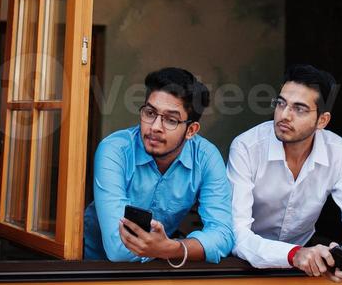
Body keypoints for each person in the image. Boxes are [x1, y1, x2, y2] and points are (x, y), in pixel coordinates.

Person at [227, 63, 342, 279]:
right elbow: (237, 234)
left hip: (304, 266)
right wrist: (293, 254)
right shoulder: (246, 147)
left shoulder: (337, 151)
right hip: (243, 265)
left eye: (299, 109)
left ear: (322, 121)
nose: (284, 115)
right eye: (281, 104)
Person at [83, 66, 234, 265]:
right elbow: (118, 249)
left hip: (157, 273)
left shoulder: (206, 157)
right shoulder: (115, 150)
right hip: (92, 269)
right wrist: (173, 249)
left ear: (191, 130)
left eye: (171, 120)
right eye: (150, 112)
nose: (155, 127)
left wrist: (174, 248)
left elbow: (223, 235)